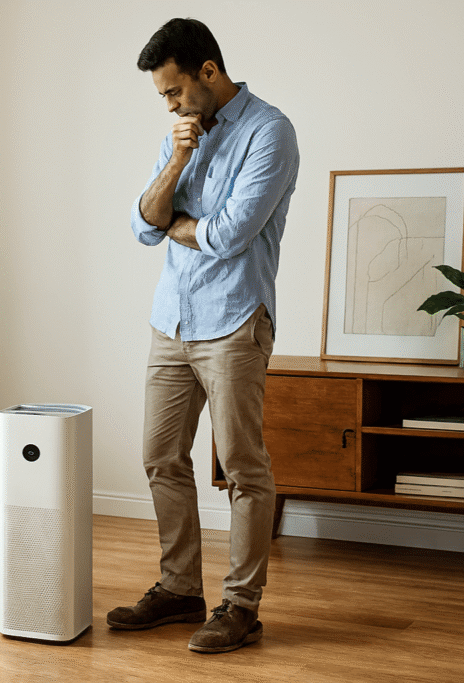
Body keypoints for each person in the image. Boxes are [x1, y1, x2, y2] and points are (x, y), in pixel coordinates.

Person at [106, 17, 299, 654]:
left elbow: (227, 236)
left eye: (172, 92)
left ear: (208, 74)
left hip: (236, 320)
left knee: (243, 467)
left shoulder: (271, 132)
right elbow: (142, 223)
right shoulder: (180, 137)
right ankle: (179, 588)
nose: (169, 105)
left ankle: (241, 605)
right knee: (160, 456)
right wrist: (181, 157)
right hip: (173, 320)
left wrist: (177, 225)